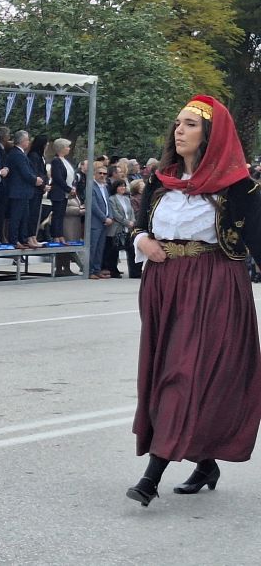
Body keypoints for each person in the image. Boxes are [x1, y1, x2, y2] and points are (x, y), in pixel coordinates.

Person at [126, 95, 261, 507]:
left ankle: (152, 476)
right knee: (168, 370)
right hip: (163, 284)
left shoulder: (239, 186)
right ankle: (205, 462)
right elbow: (138, 226)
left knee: (184, 372)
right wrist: (141, 240)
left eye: (190, 124)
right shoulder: (159, 179)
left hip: (213, 285)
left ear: (210, 136)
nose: (179, 130)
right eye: (178, 123)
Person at [6, 131, 44, 249]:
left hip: (25, 192)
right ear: (22, 141)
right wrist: (35, 180)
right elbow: (25, 172)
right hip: (18, 191)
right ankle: (14, 239)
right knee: (16, 217)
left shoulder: (21, 154)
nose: (28, 142)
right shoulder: (17, 154)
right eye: (27, 140)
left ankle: (22, 238)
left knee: (24, 216)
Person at [48, 138, 76, 245]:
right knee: (57, 214)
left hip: (65, 193)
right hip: (58, 192)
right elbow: (58, 178)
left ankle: (60, 234)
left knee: (61, 214)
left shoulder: (65, 161)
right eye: (67, 147)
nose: (69, 149)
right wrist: (68, 189)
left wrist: (72, 187)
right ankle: (56, 235)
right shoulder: (56, 161)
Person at [106, 179, 134, 278]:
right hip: (116, 228)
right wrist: (126, 222)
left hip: (128, 228)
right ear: (116, 188)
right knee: (114, 250)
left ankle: (133, 270)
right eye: (120, 186)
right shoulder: (112, 199)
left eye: (124, 186)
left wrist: (132, 222)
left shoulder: (127, 199)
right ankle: (113, 270)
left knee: (130, 249)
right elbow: (115, 213)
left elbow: (131, 212)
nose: (123, 188)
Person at [88, 166, 111, 279]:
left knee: (100, 248)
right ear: (95, 174)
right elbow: (93, 205)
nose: (102, 175)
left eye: (104, 173)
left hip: (105, 223)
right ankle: (90, 270)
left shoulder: (104, 187)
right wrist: (104, 218)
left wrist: (110, 216)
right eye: (100, 173)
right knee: (93, 247)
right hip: (95, 222)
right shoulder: (91, 186)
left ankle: (97, 269)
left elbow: (108, 203)